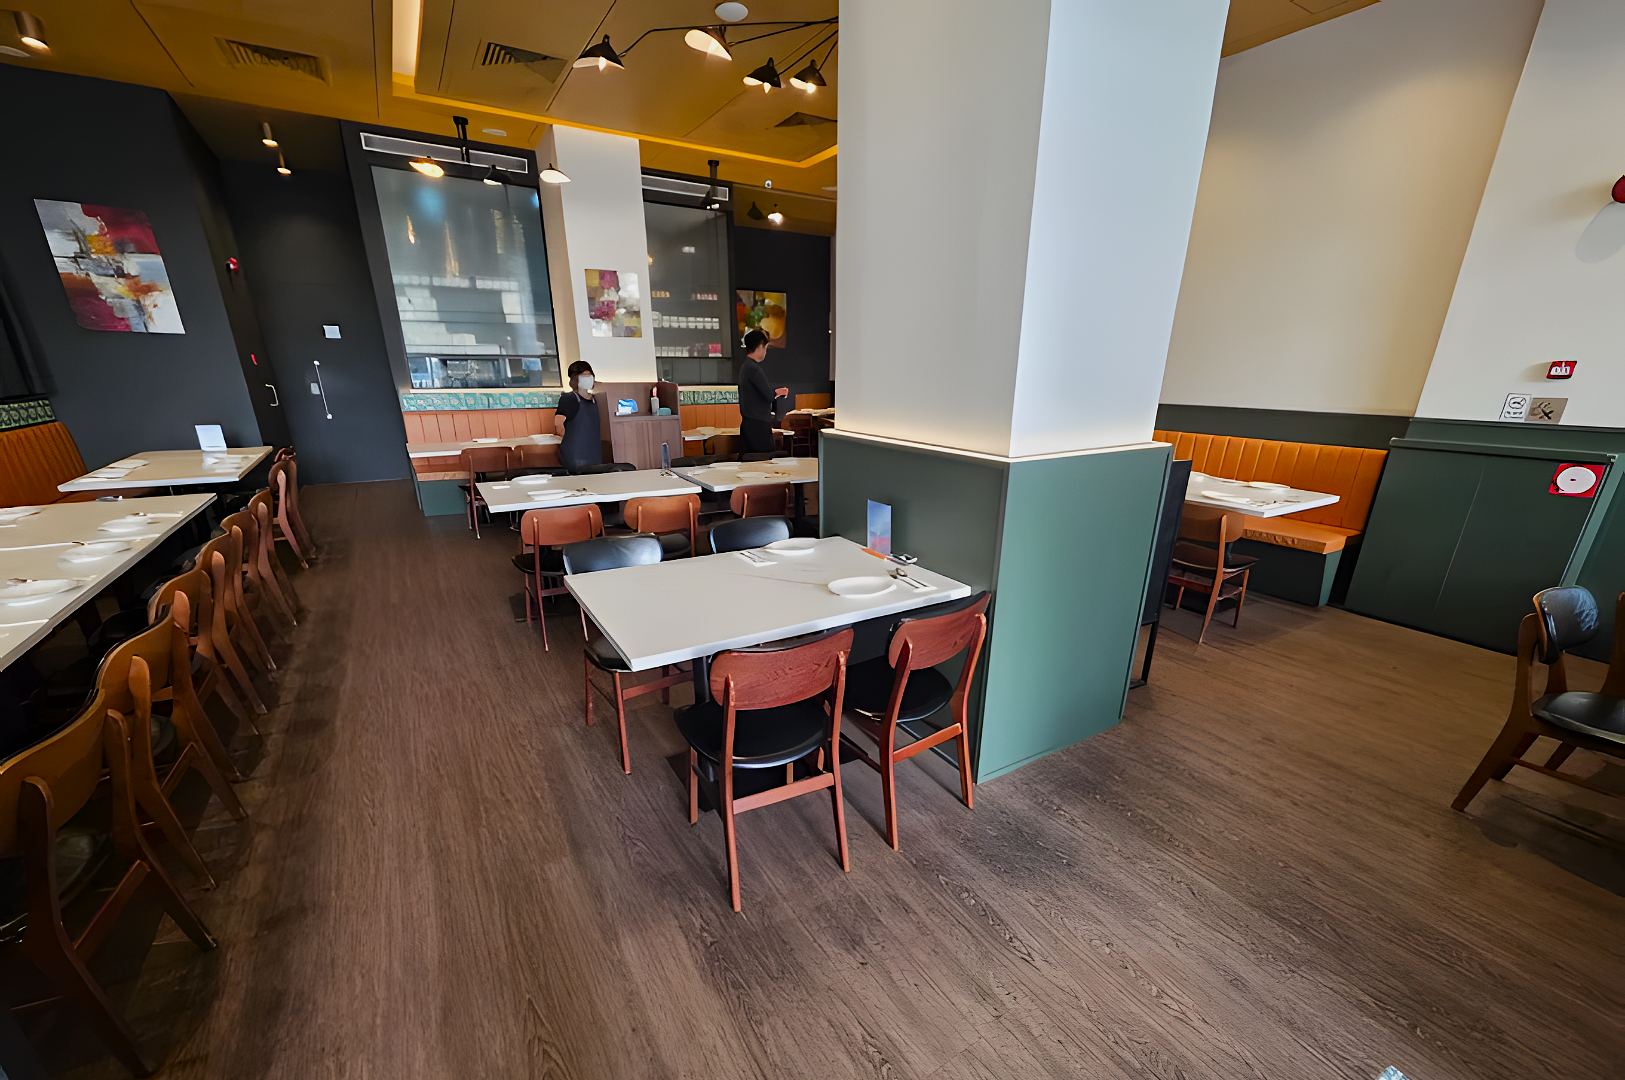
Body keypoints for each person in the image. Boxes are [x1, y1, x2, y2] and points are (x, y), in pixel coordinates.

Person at [737, 329, 787, 455]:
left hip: (749, 422)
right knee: (762, 463)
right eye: (765, 347)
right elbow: (768, 395)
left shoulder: (746, 366)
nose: (765, 350)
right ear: (760, 346)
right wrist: (778, 393)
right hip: (758, 425)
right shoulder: (753, 369)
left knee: (751, 463)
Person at [554, 360, 603, 471]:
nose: (589, 378)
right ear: (575, 378)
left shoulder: (595, 399)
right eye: (584, 376)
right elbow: (558, 424)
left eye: (590, 375)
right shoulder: (570, 398)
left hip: (594, 450)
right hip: (576, 452)